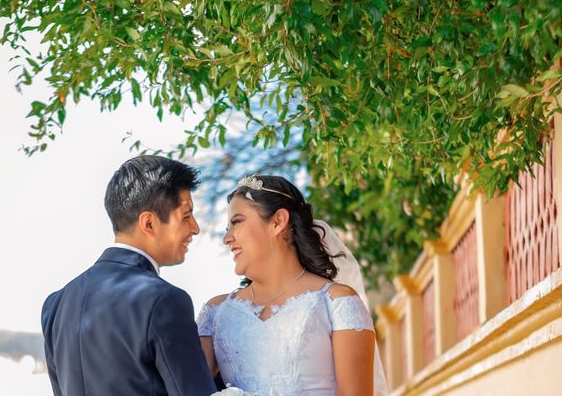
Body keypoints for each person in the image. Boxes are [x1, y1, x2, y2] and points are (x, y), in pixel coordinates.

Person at [41, 155, 217, 396]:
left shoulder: (56, 304)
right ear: (149, 223)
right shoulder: (164, 301)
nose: (195, 228)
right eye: (186, 216)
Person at [197, 175, 388, 396]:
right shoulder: (215, 313)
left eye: (236, 222)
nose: (227, 238)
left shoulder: (337, 303)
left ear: (278, 221)